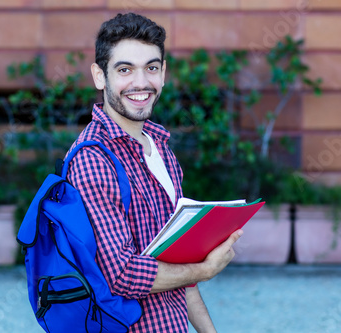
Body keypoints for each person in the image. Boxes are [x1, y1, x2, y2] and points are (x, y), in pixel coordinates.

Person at [66, 12, 243, 333]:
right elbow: (122, 276)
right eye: (124, 70)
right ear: (99, 76)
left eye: (151, 68)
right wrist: (204, 269)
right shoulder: (94, 158)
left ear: (163, 74)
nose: (141, 83)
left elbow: (177, 261)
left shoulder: (160, 147)